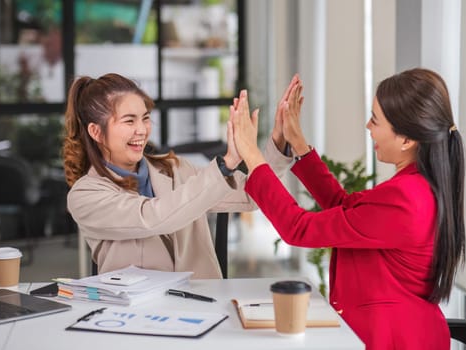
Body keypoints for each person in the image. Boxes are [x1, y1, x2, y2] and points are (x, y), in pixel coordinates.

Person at [230, 69, 465, 349]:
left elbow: (299, 228)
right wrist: (298, 143)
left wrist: (253, 156)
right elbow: (347, 210)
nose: (368, 126)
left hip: (395, 339)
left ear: (406, 140)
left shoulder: (405, 198)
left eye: (375, 120)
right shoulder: (417, 186)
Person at [62, 73, 296, 278]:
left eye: (145, 118)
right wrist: (226, 164)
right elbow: (153, 217)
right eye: (129, 121)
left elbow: (253, 195)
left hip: (203, 304)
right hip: (136, 317)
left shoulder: (176, 169)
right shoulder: (85, 195)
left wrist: (279, 140)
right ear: (96, 132)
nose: (142, 130)